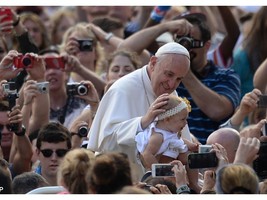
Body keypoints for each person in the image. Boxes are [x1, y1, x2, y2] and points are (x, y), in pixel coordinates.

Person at [87, 42, 192, 181]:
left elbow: (179, 139)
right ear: (153, 63)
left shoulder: (172, 94)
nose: (172, 84)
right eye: (169, 74)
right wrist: (143, 121)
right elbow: (106, 142)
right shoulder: (123, 89)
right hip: (119, 180)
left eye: (179, 79)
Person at [175, 12, 241, 144]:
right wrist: (163, 27)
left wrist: (183, 67)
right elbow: (127, 50)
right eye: (181, 40)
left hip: (211, 153)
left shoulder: (226, 76)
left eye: (191, 41)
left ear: (207, 46)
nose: (186, 46)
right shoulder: (168, 75)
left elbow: (218, 111)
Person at [135, 95, 191, 170]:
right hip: (163, 169)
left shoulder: (170, 131)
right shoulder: (158, 136)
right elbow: (146, 154)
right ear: (167, 119)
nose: (186, 123)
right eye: (182, 119)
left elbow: (180, 140)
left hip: (173, 164)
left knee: (190, 161)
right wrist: (161, 171)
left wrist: (192, 145)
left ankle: (193, 182)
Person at [34, 122, 72, 186]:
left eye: (60, 153)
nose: (54, 158)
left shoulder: (79, 186)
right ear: (37, 153)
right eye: (47, 153)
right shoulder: (26, 185)